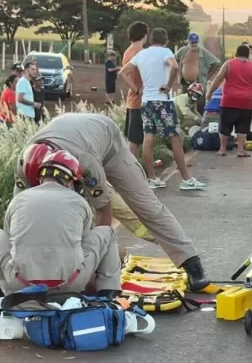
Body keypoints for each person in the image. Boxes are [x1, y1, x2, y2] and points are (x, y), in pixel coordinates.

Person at [13, 113, 210, 292]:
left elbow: (103, 212)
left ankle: (192, 263)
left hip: (107, 145)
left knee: (146, 205)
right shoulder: (24, 162)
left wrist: (95, 267)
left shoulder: (86, 164)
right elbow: (19, 217)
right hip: (74, 136)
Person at [0, 150, 121, 297]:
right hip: (71, 283)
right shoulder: (79, 201)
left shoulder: (19, 199)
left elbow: (10, 240)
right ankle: (108, 293)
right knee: (108, 232)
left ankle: (8, 293)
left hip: (21, 284)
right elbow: (84, 243)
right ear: (70, 181)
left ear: (41, 178)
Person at [118, 27, 207, 191]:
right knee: (175, 137)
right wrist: (169, 85)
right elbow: (175, 67)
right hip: (162, 102)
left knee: (148, 137)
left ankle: (152, 178)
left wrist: (136, 89)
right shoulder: (166, 52)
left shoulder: (142, 54)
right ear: (166, 41)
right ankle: (186, 179)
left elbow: (122, 73)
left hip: (146, 101)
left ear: (151, 40)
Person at [206, 44, 252, 157]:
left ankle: (222, 149)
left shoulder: (228, 63)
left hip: (228, 100)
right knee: (243, 126)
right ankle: (240, 150)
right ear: (248, 55)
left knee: (225, 125)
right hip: (246, 102)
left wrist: (210, 93)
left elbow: (218, 78)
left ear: (236, 54)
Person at [175, 33, 222, 114]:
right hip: (185, 84)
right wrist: (178, 71)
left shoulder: (203, 52)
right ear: (188, 42)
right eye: (192, 42)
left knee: (199, 107)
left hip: (198, 84)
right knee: (184, 107)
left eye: (196, 42)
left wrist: (207, 76)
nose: (194, 44)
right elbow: (174, 59)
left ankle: (200, 121)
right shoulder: (183, 51)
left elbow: (217, 63)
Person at [122, 21, 148, 158]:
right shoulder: (141, 53)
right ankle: (132, 167)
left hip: (132, 101)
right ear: (144, 35)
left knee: (133, 139)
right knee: (135, 140)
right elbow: (123, 74)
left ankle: (132, 165)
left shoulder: (128, 51)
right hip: (139, 101)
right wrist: (138, 89)